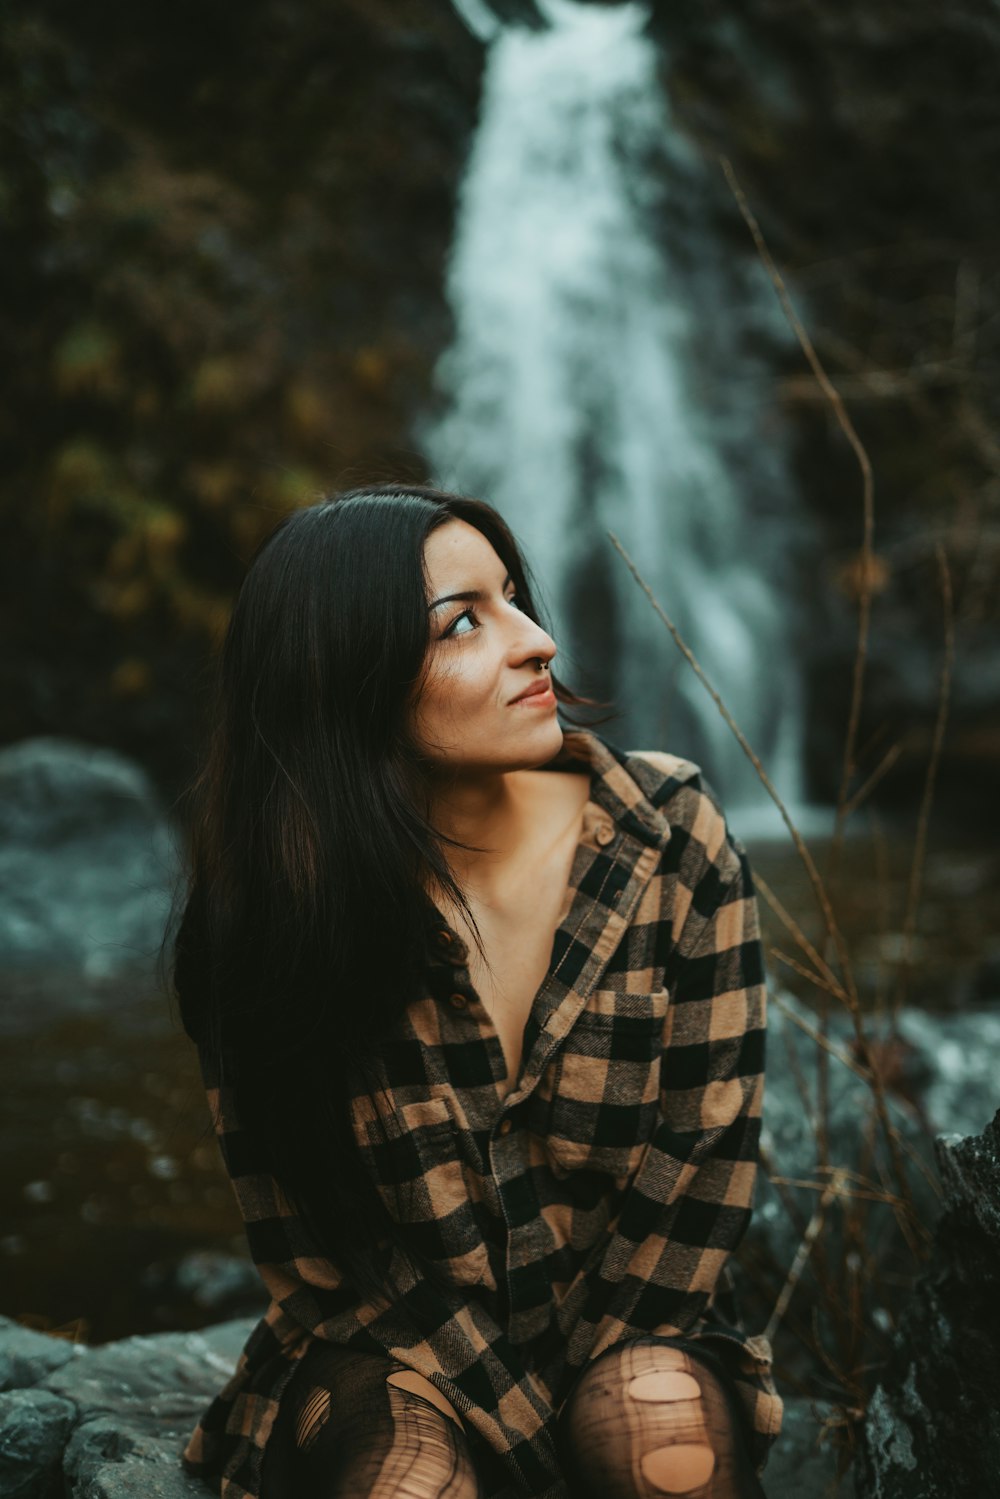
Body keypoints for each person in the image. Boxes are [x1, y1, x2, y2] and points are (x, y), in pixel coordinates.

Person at [171, 482, 783, 1499]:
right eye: (463, 620)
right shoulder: (267, 920)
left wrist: (595, 1401)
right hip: (393, 1347)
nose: (539, 640)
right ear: (342, 677)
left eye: (513, 597)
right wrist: (531, 1437)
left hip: (636, 1325)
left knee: (659, 1441)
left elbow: (699, 1176)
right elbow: (321, 1256)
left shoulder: (671, 836)